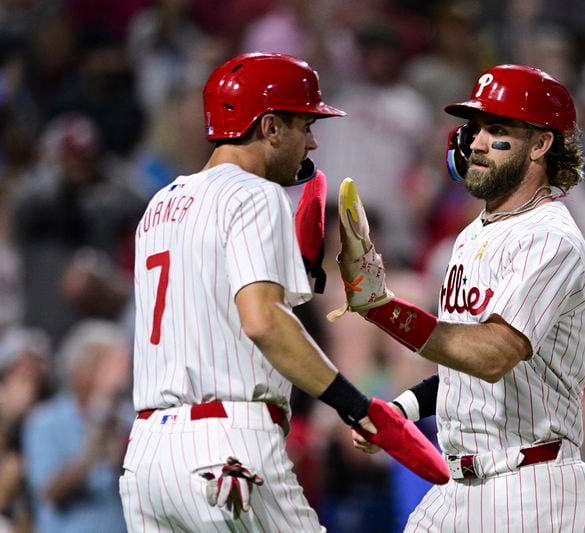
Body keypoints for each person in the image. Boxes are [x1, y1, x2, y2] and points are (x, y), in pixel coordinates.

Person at [120, 52, 445, 532]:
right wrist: (356, 406)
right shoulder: (256, 193)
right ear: (270, 128)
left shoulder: (160, 204)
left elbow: (214, 311)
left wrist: (304, 276)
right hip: (226, 444)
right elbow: (261, 321)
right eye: (304, 124)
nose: (312, 140)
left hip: (147, 455)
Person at [344, 64, 585, 531]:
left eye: (498, 129)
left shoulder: (551, 239)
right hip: (459, 488)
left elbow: (492, 355)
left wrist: (383, 310)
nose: (477, 142)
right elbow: (463, 371)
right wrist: (400, 410)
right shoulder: (470, 236)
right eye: (476, 127)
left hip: (531, 490)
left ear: (541, 144)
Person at [23, 320, 132, 533]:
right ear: (85, 370)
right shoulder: (44, 421)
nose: (124, 377)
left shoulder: (126, 418)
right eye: (114, 365)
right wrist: (95, 442)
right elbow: (48, 491)